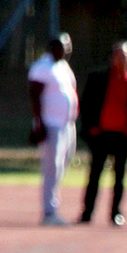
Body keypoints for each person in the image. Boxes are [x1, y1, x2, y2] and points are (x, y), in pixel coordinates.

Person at [76, 40, 127, 226]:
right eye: (118, 55)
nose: (122, 59)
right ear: (112, 58)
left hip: (123, 136)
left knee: (120, 177)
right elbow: (85, 105)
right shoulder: (97, 78)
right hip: (100, 134)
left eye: (126, 56)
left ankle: (115, 212)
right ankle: (87, 212)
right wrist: (91, 126)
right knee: (94, 175)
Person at [28, 33, 78, 227]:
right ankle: (49, 211)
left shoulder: (63, 66)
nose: (65, 50)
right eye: (61, 46)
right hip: (51, 124)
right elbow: (34, 96)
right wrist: (38, 123)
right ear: (51, 48)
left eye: (67, 46)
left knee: (63, 163)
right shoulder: (42, 67)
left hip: (67, 123)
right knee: (52, 167)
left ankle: (53, 204)